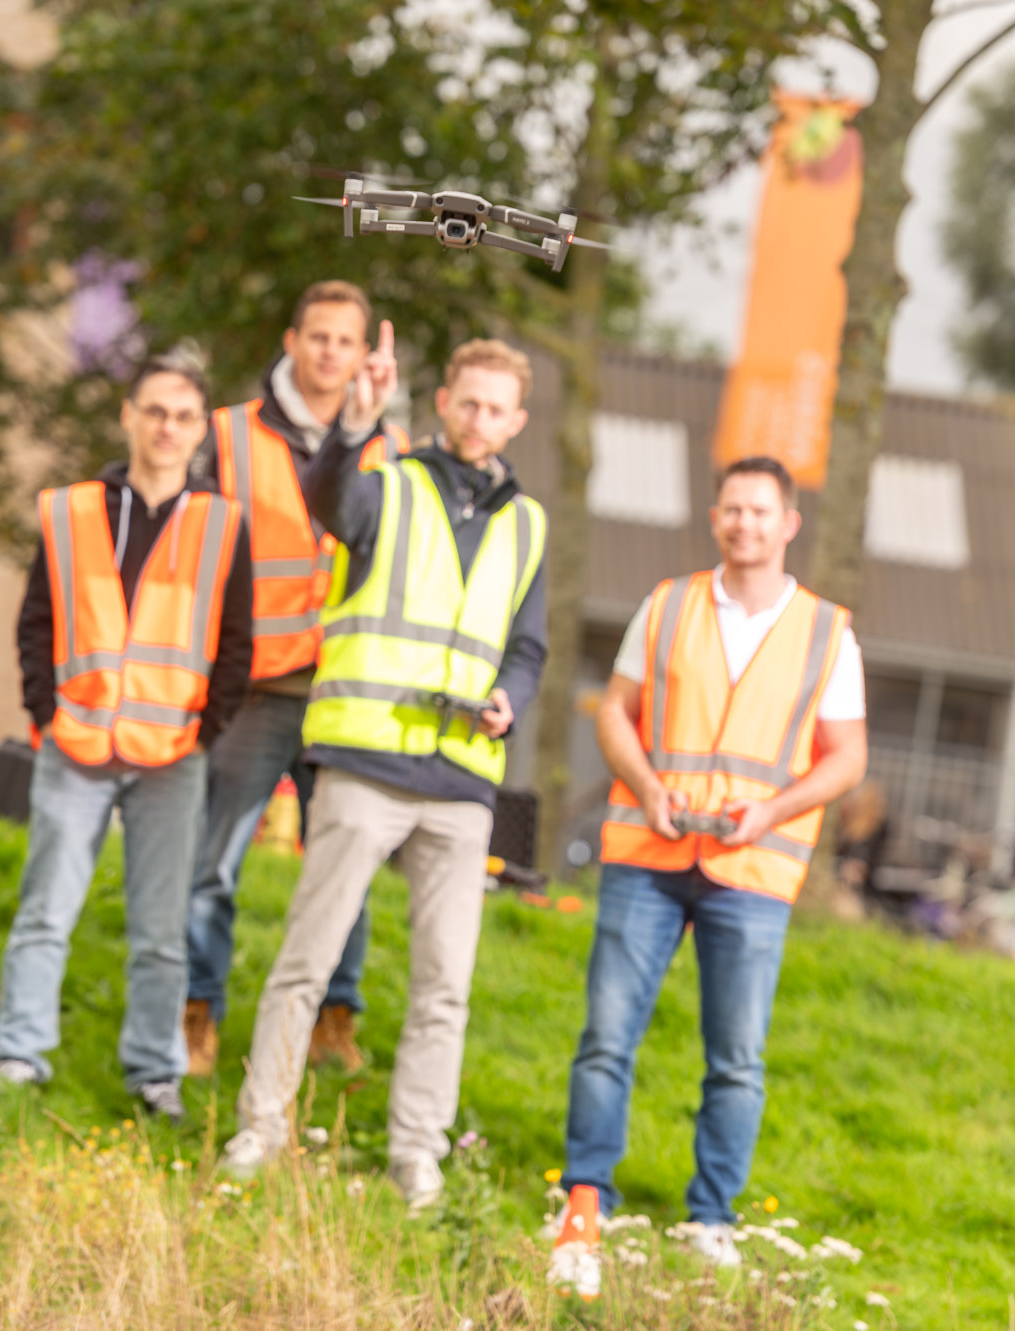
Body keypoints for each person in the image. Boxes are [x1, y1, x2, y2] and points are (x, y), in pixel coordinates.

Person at [220, 332, 548, 1212]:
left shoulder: (529, 522)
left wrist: (510, 698)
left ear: (517, 420)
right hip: (366, 761)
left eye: (497, 408)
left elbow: (527, 645)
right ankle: (261, 1124)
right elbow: (328, 502)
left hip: (462, 781)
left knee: (447, 984)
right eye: (467, 401)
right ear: (443, 401)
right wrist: (357, 420)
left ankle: (418, 1152)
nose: (480, 419)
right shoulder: (388, 482)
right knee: (308, 958)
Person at [548, 456, 869, 1298]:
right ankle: (585, 1196)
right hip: (648, 854)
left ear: (788, 523)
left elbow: (848, 757)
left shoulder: (828, 632)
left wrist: (773, 809)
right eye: (732, 509)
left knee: (736, 1057)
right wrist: (648, 786)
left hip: (754, 866)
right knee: (607, 1036)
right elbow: (615, 708)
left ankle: (712, 1220)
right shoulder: (668, 604)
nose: (745, 524)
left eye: (761, 512)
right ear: (715, 516)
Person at [0, 351, 253, 1121]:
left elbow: (237, 640)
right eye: (155, 411)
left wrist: (207, 729)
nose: (167, 427)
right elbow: (35, 618)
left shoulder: (222, 522)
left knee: (162, 927)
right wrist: (44, 710)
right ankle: (20, 1052)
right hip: (75, 740)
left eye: (182, 416)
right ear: (128, 416)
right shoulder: (72, 510)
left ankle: (153, 1070)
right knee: (46, 908)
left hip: (175, 753)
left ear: (200, 430)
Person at [184, 280, 409, 1079]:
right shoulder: (227, 436)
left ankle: (333, 1021)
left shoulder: (390, 446)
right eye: (317, 337)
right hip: (254, 688)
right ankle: (195, 1011)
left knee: (344, 867)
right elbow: (195, 554)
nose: (328, 353)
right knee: (212, 858)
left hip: (345, 695)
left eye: (344, 341)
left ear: (361, 354)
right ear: (291, 340)